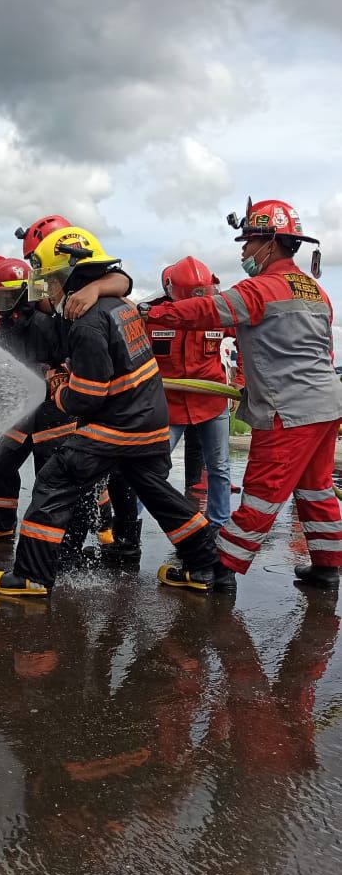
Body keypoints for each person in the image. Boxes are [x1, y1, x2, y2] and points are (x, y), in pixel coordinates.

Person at [0, 226, 221, 597]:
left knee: (54, 481)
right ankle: (206, 567)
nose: (46, 290)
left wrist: (58, 386)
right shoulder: (118, 306)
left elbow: (88, 397)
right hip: (150, 422)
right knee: (159, 493)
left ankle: (31, 576)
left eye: (49, 281)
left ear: (69, 276)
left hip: (118, 426)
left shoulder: (89, 322)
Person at [145, 197, 342, 591]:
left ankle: (220, 570)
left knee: (261, 495)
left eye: (249, 242)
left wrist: (150, 314)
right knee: (316, 489)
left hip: (289, 410)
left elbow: (202, 312)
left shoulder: (259, 288)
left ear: (270, 242)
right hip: (326, 404)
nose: (243, 250)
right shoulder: (316, 291)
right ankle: (326, 567)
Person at [0, 249, 133, 546]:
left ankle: (101, 524)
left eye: (2, 297)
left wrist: (59, 377)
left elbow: (73, 355)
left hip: (56, 409)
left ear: (21, 295)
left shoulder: (46, 320)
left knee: (57, 472)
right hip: (23, 407)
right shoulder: (4, 325)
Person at [145, 256, 231, 529]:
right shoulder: (150, 317)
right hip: (169, 406)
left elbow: (250, 341)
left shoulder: (219, 315)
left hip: (212, 403)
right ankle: (130, 528)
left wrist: (240, 381)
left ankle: (219, 527)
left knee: (219, 468)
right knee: (148, 469)